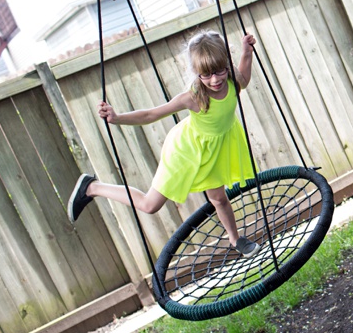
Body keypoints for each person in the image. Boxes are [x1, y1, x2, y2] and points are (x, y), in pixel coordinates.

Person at [68, 30, 261, 258]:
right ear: (196, 73)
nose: (215, 80)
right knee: (150, 205)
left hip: (215, 149)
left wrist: (247, 52)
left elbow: (245, 80)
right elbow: (150, 115)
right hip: (186, 151)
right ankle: (93, 187)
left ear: (226, 63)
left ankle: (235, 239)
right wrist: (117, 117)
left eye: (219, 71)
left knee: (219, 198)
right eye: (205, 75)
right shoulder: (194, 97)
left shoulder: (231, 79)